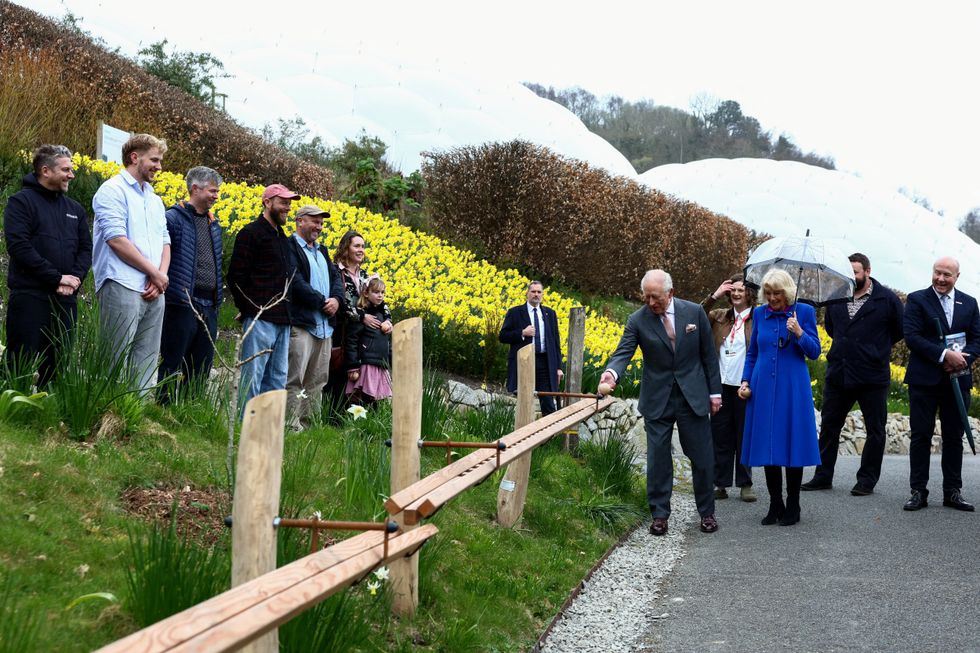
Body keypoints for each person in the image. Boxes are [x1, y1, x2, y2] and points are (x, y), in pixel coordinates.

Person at [599, 270, 721, 536]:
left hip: (693, 396)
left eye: (656, 297)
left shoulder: (694, 313)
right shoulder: (637, 320)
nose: (651, 303)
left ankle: (707, 513)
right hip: (658, 398)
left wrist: (715, 393)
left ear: (671, 294)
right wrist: (611, 373)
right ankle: (659, 515)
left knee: (701, 457)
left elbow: (708, 356)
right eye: (646, 297)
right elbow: (623, 352)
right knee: (658, 458)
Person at [802, 253, 904, 495]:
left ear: (867, 271)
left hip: (872, 376)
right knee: (829, 426)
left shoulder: (888, 299)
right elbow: (831, 328)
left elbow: (898, 331)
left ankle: (866, 480)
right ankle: (823, 475)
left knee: (875, 430)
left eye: (856, 272)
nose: (851, 276)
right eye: (848, 272)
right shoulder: (836, 296)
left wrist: (873, 349)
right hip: (839, 372)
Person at [4, 145, 92, 387]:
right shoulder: (21, 202)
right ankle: (11, 415)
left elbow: (86, 249)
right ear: (45, 170)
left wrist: (73, 279)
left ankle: (48, 416)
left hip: (65, 301)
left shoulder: (75, 209)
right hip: (30, 297)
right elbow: (19, 247)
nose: (71, 175)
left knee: (57, 366)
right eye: (66, 170)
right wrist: (56, 278)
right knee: (18, 362)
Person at [739, 269, 821, 526]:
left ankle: (793, 504)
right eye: (769, 293)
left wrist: (798, 332)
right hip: (762, 386)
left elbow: (815, 352)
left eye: (777, 293)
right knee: (767, 442)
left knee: (791, 441)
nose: (772, 298)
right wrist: (745, 380)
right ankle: (776, 503)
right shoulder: (760, 314)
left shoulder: (804, 313)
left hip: (792, 387)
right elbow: (753, 353)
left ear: (787, 292)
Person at [92, 134, 170, 396]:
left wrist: (160, 277)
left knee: (146, 359)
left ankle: (137, 417)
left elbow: (165, 242)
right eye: (155, 160)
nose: (159, 166)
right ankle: (106, 413)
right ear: (134, 157)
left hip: (153, 288)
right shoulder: (112, 190)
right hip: (121, 282)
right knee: (114, 356)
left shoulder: (155, 199)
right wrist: (154, 273)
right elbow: (116, 240)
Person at [901, 256, 980, 512]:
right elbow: (912, 336)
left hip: (957, 380)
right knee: (921, 435)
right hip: (924, 380)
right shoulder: (916, 299)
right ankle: (918, 491)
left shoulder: (969, 303)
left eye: (947, 274)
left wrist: (963, 360)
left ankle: (952, 492)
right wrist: (945, 355)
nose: (941, 279)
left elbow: (977, 338)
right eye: (937, 273)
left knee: (954, 437)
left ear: (957, 276)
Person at [227, 183, 299, 414]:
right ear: (267, 203)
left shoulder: (282, 238)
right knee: (253, 378)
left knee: (277, 381)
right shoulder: (251, 233)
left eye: (289, 203)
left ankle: (267, 435)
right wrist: (249, 307)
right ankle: (244, 431)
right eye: (283, 202)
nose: (287, 207)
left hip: (283, 320)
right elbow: (236, 276)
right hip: (261, 318)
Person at [157, 166, 224, 403]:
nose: (216, 196)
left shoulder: (213, 224)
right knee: (171, 359)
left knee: (201, 365)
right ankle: (161, 409)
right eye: (213, 191)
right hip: (182, 301)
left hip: (209, 305)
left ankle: (189, 412)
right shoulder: (173, 218)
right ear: (195, 188)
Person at [286, 205, 345, 429]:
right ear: (300, 221)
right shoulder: (290, 246)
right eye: (314, 221)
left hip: (324, 328)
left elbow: (336, 280)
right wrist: (322, 302)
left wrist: (337, 301)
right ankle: (290, 425)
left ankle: (309, 425)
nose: (319, 227)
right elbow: (295, 280)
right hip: (303, 324)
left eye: (321, 223)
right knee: (295, 378)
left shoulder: (322, 251)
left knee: (317, 381)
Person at [702, 274, 756, 502]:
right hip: (720, 386)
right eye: (732, 290)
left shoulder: (757, 319)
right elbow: (695, 316)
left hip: (744, 387)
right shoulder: (719, 317)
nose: (735, 294)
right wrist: (714, 296)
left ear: (749, 293)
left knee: (744, 436)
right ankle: (720, 484)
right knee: (720, 435)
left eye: (740, 290)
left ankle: (745, 484)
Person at [326, 230, 392, 404]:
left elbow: (379, 301)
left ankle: (353, 419)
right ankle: (332, 418)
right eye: (357, 246)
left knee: (357, 380)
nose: (361, 249)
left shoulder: (365, 276)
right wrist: (362, 317)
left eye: (363, 246)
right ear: (346, 248)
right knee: (338, 375)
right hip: (340, 332)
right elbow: (339, 301)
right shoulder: (335, 271)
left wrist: (388, 320)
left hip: (362, 338)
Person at [499, 281, 564, 416]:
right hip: (525, 361)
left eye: (539, 292)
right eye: (533, 291)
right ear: (527, 294)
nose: (536, 295)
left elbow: (555, 342)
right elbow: (503, 336)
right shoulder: (515, 312)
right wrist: (522, 333)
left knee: (548, 403)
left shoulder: (550, 314)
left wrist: (558, 367)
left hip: (544, 362)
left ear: (542, 295)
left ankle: (550, 435)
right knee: (525, 400)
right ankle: (524, 434)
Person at [344, 275, 393, 402]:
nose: (380, 296)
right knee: (363, 398)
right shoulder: (362, 315)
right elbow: (352, 340)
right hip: (365, 364)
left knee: (378, 400)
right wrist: (353, 366)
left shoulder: (384, 316)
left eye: (382, 292)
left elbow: (387, 343)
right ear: (366, 293)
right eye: (376, 292)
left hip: (380, 364)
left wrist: (389, 360)